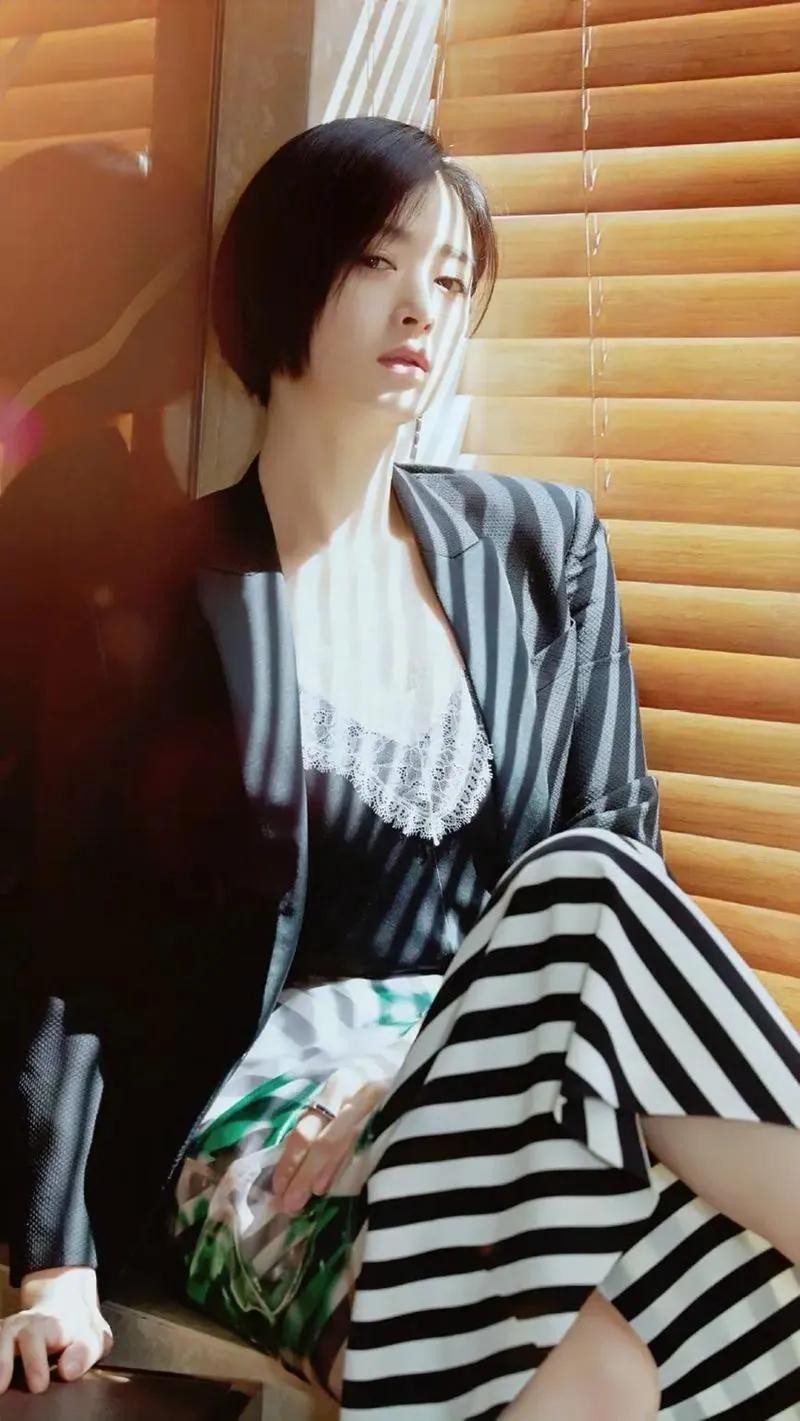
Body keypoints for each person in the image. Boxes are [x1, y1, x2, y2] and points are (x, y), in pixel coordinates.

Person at [1, 116, 799, 1420]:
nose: (422, 304)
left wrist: (414, 1070)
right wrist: (55, 1262)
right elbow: (61, 946)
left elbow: (616, 856)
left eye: (451, 275)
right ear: (285, 276)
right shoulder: (154, 593)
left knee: (704, 1283)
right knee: (599, 1359)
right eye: (380, 260)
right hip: (271, 1131)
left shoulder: (541, 548)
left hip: (488, 1076)